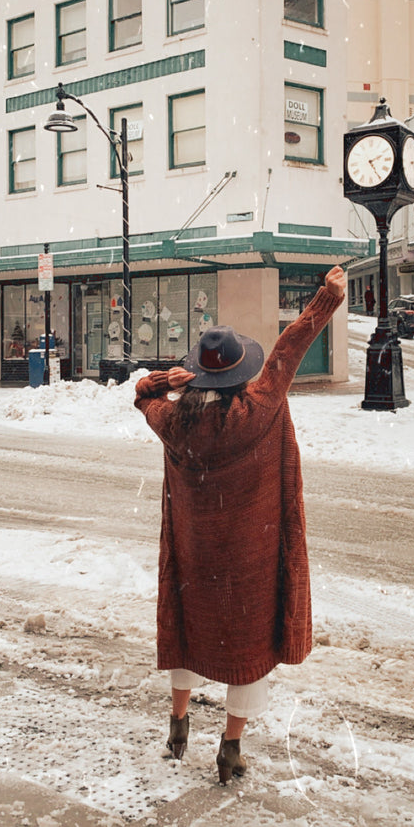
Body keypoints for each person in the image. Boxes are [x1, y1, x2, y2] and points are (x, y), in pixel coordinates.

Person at [134, 265, 346, 785]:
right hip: (248, 561)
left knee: (187, 632)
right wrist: (328, 296)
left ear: (197, 376)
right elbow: (290, 347)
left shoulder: (173, 421)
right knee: (249, 653)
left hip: (194, 557)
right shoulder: (262, 405)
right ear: (237, 373)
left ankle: (178, 726)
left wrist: (167, 380)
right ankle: (230, 750)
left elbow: (142, 392)